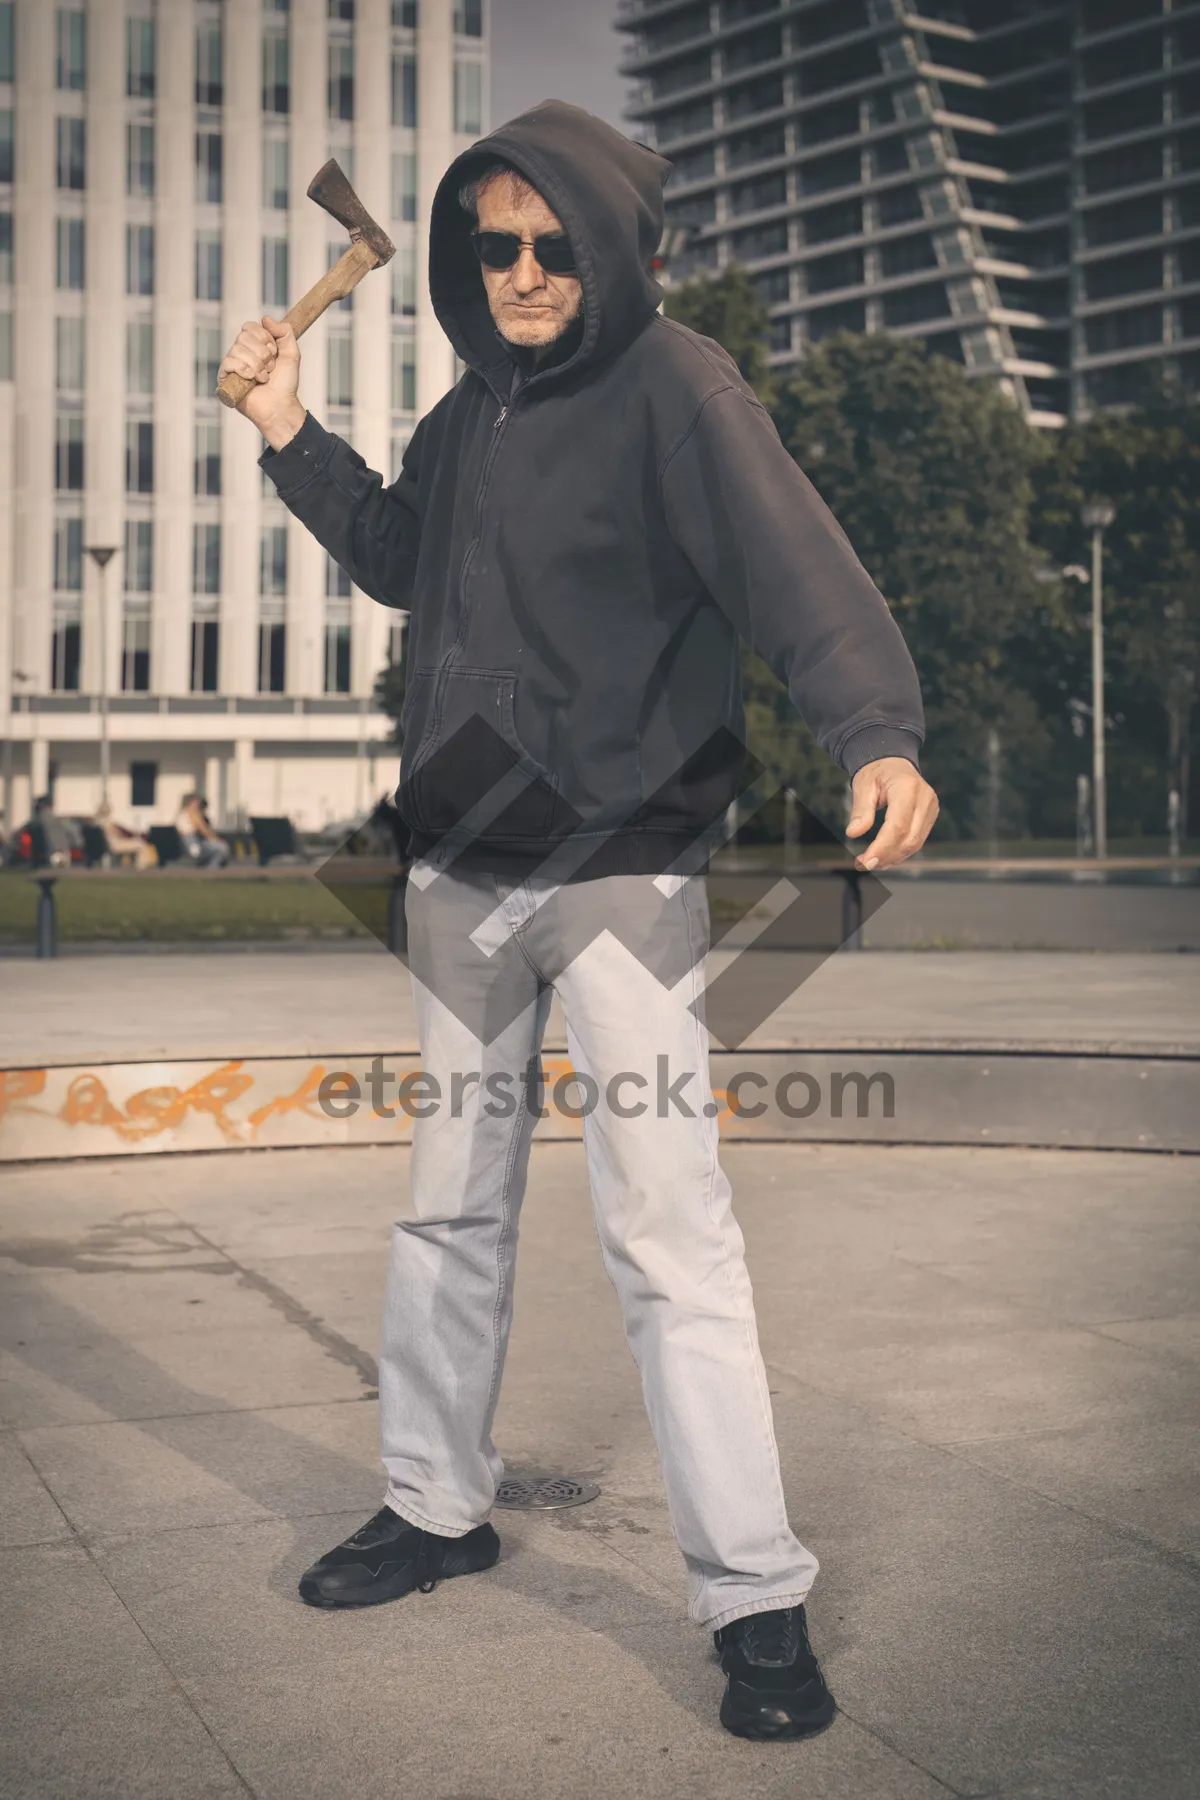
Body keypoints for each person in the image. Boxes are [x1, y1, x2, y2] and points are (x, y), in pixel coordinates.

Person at [220, 101, 939, 1742]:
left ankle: (755, 1598)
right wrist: (283, 425)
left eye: (554, 242)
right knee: (446, 1211)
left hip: (622, 867)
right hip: (461, 867)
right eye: (495, 245)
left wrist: (875, 726)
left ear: (614, 249)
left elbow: (790, 564)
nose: (525, 269)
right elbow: (405, 562)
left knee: (669, 1237)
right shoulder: (472, 415)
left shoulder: (681, 389)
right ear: (466, 267)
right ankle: (432, 1502)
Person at [94, 801, 157, 871]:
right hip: (115, 845)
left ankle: (140, 865)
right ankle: (142, 866)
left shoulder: (98, 822)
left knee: (138, 842)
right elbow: (117, 832)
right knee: (140, 843)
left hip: (112, 844)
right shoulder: (106, 823)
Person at [176, 792, 229, 868]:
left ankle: (210, 868)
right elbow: (203, 830)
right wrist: (216, 839)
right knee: (222, 848)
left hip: (188, 844)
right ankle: (211, 869)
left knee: (219, 851)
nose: (198, 805)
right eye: (196, 802)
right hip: (193, 844)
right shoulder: (192, 813)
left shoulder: (182, 814)